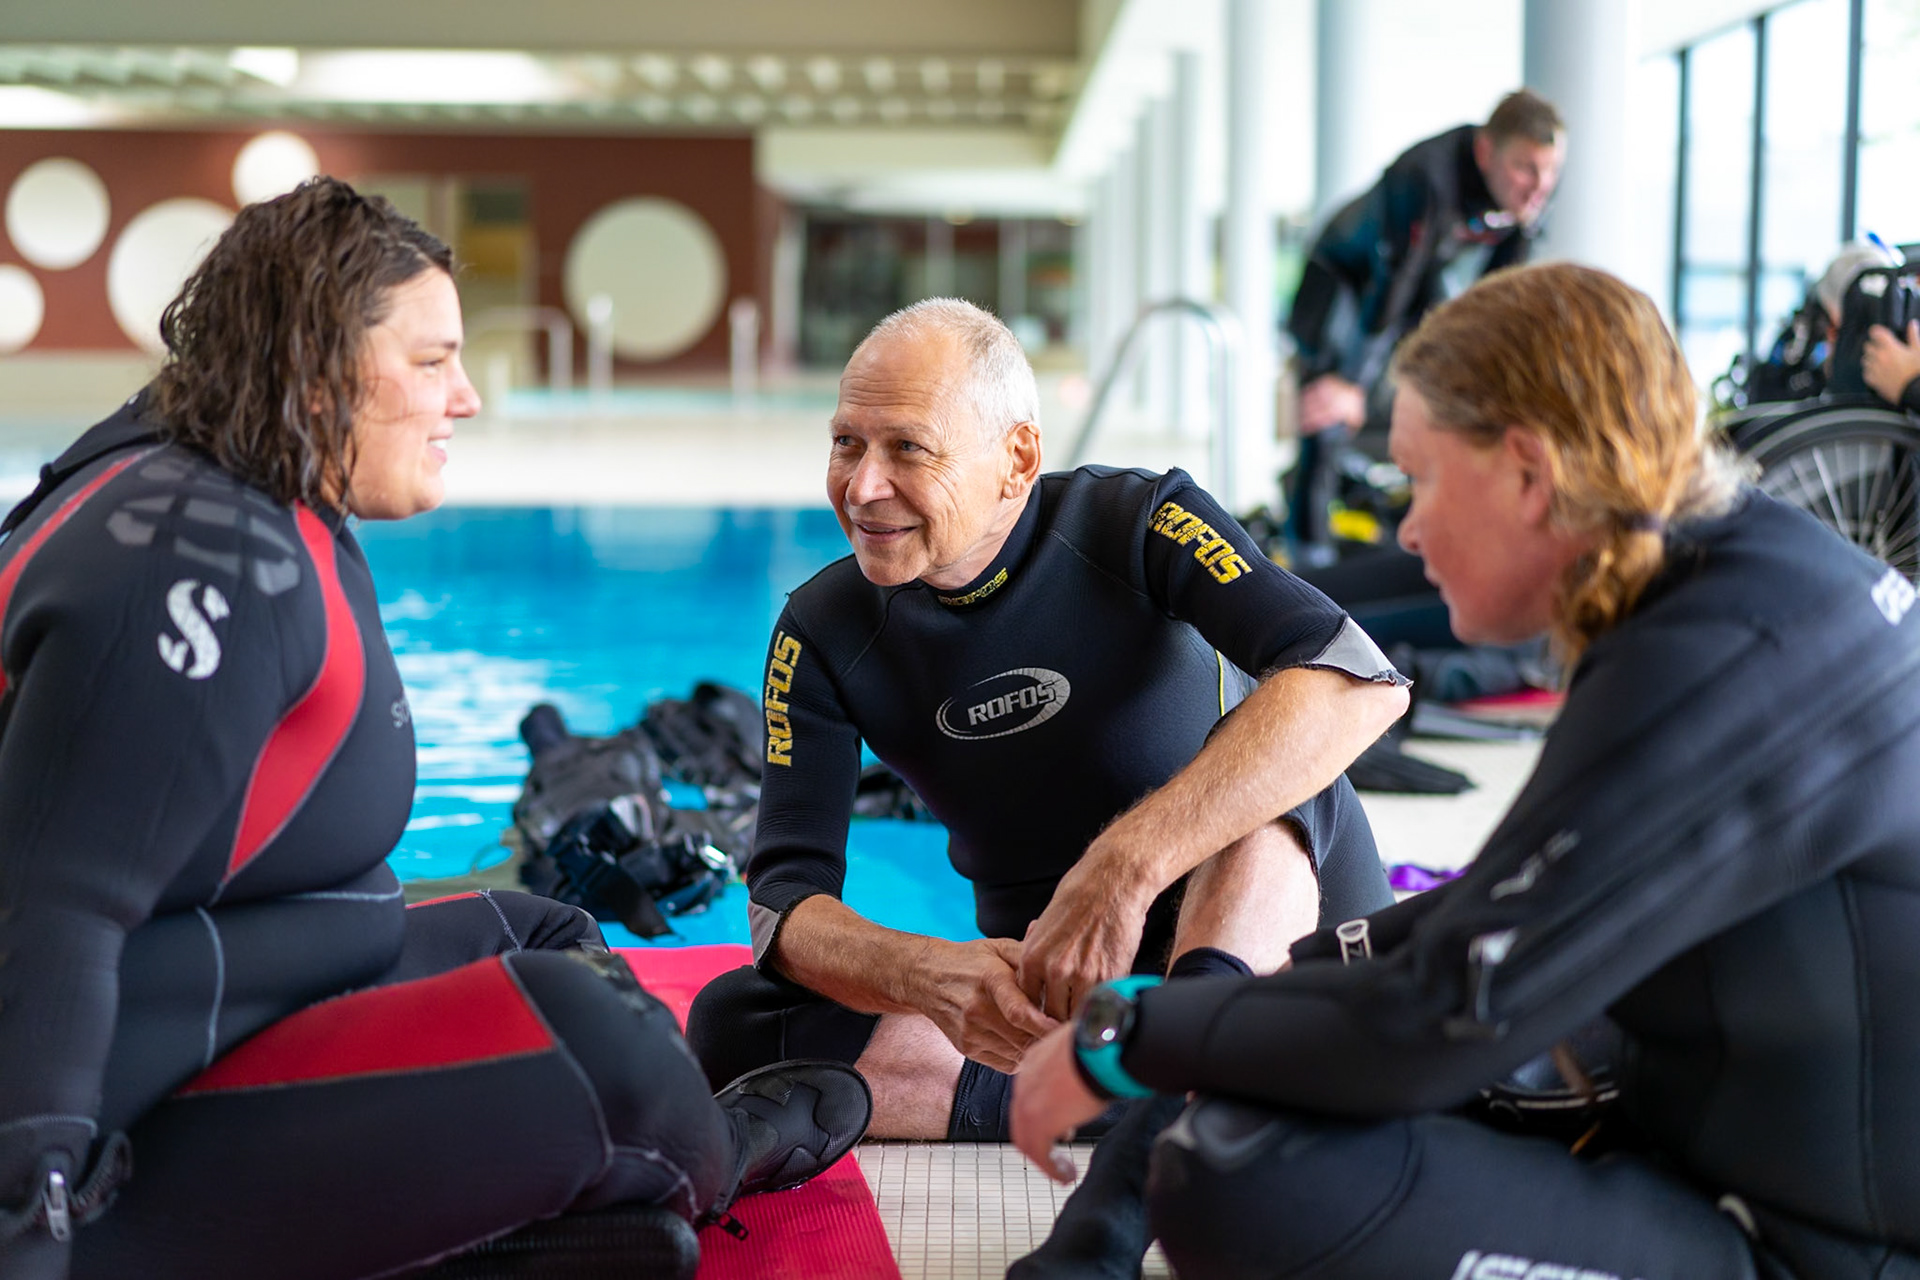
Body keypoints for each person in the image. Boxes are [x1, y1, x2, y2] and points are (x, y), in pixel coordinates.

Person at [0, 177, 869, 1280]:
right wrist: (31, 1212)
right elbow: (52, 914)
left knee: (542, 930)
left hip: (221, 996)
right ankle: (708, 1155)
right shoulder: (200, 560)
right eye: (430, 360)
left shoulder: (217, 481)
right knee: (605, 1053)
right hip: (122, 1119)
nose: (465, 397)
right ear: (315, 365)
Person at [1011, 260, 1920, 1279]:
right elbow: (1501, 912)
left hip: (1816, 1246)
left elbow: (1443, 1013)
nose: (1407, 526)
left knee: (1239, 1172)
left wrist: (1132, 1030)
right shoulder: (1740, 573)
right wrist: (1273, 985)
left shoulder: (1722, 656)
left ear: (1529, 472)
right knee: (1277, 1049)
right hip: (1725, 1117)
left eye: (1423, 479)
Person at [1284, 88, 1565, 562]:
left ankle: (1424, 532)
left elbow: (1499, 289)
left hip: (1416, 276)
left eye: (1550, 170)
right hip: (1343, 275)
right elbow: (1392, 282)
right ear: (1485, 152)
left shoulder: (1534, 189)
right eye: (1525, 168)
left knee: (1449, 385)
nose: (1540, 185)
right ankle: (1308, 556)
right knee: (1330, 411)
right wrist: (1350, 381)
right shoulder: (1425, 175)